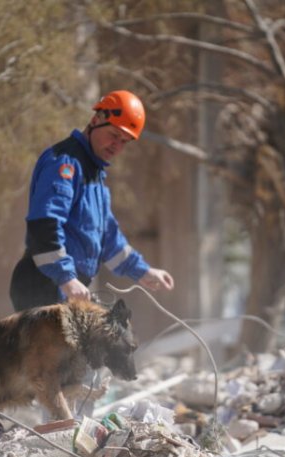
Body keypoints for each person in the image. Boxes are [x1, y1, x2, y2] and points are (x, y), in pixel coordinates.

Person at [10, 89, 175, 312]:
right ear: (96, 119)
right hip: (44, 285)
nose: (117, 146)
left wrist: (143, 272)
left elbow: (108, 238)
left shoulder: (94, 175)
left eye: (124, 141)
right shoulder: (65, 163)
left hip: (66, 287)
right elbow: (45, 225)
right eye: (115, 135)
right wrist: (66, 278)